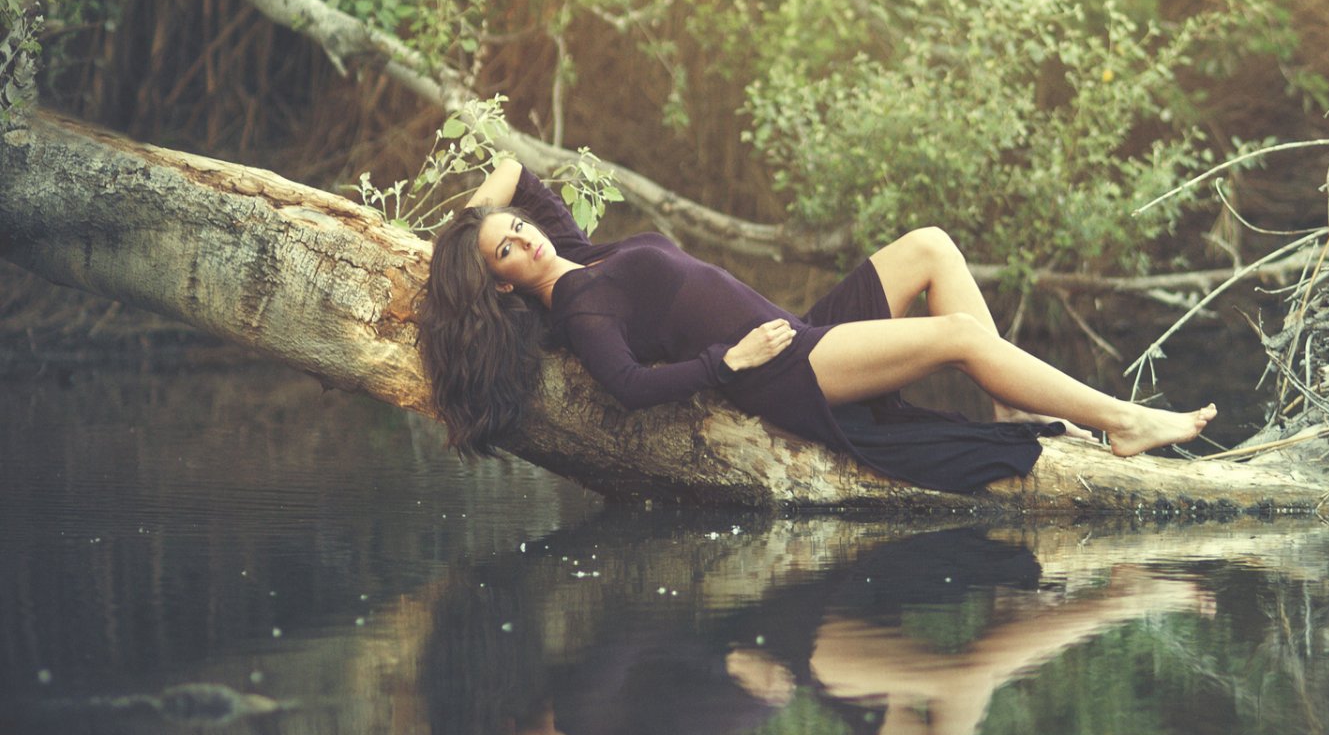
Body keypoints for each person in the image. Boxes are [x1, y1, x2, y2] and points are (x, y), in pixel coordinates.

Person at [417, 159, 1215, 493]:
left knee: (930, 246)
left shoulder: (583, 256)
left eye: (515, 231)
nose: (523, 237)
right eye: (506, 253)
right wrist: (726, 364)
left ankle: (1014, 405)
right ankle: (1121, 419)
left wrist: (462, 237)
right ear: (504, 284)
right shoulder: (581, 309)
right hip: (789, 369)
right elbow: (628, 389)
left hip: (803, 330)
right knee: (965, 341)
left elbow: (514, 172)